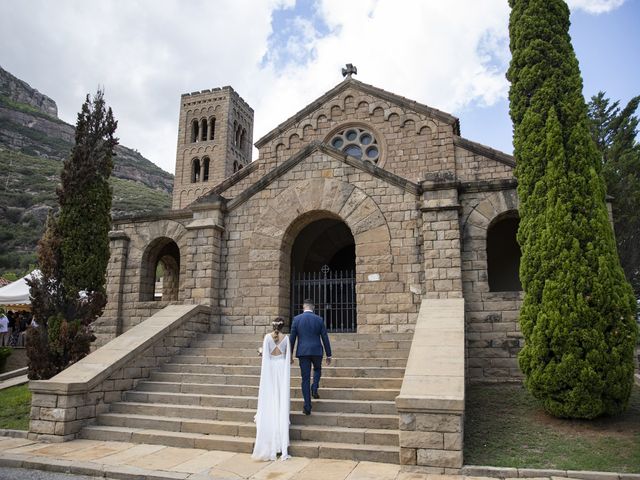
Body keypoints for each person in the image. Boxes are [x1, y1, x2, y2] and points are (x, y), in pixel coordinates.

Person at [252, 317, 291, 461]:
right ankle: (281, 438)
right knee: (280, 397)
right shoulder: (286, 339)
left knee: (271, 397)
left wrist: (262, 352)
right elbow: (288, 358)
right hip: (281, 368)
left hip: (270, 369)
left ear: (273, 326)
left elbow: (265, 357)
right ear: (283, 326)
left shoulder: (267, 337)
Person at [289, 299, 332, 416]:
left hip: (303, 352)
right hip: (317, 350)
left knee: (305, 379)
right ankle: (315, 387)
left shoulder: (296, 319)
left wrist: (290, 355)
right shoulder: (319, 319)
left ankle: (307, 406)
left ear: (303, 307)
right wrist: (329, 354)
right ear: (313, 308)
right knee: (317, 369)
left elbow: (292, 339)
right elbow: (325, 337)